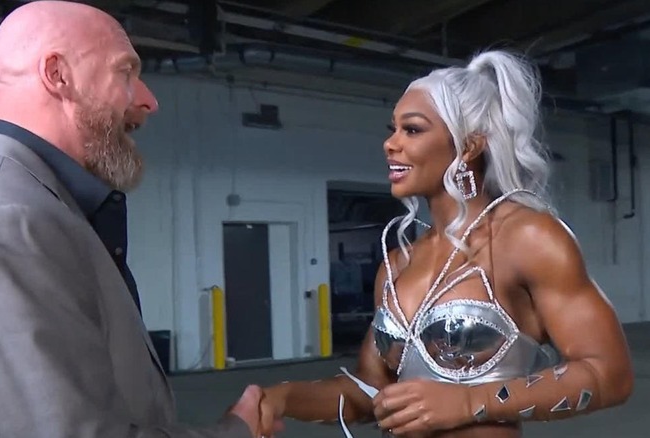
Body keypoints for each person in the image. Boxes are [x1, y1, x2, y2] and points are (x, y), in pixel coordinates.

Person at [0, 1, 279, 437]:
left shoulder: (8, 206)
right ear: (57, 75)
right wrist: (236, 431)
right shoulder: (3, 224)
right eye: (125, 72)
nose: (149, 101)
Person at [262, 49, 634, 437]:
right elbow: (371, 392)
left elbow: (609, 374)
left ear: (468, 146)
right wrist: (281, 397)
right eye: (392, 129)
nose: (390, 144)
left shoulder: (527, 238)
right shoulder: (397, 264)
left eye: (412, 130)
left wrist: (469, 402)